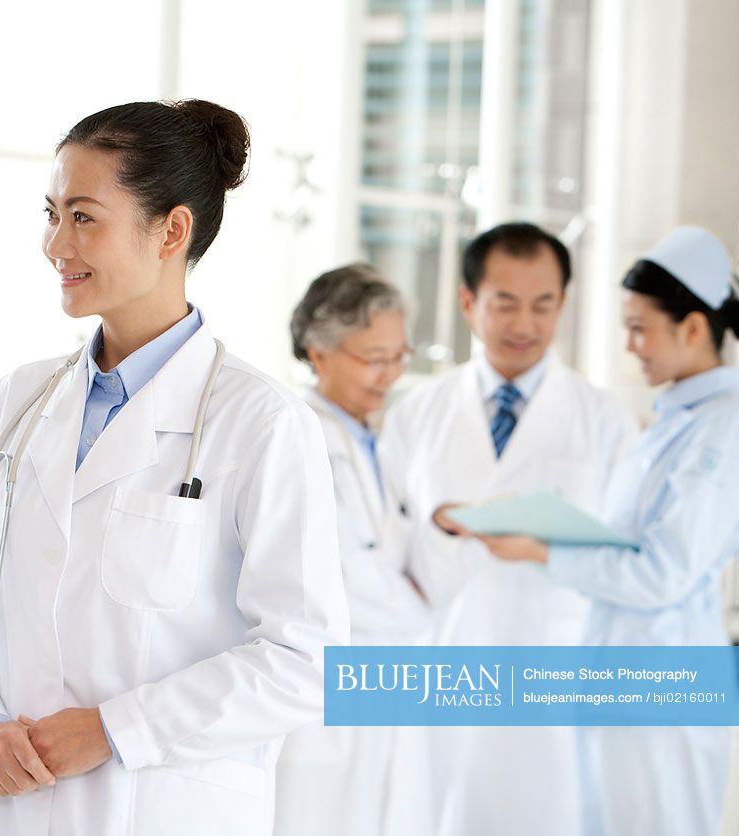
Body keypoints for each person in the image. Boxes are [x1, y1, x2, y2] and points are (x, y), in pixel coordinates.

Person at [0, 100, 349, 836]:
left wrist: (116, 728)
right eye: (50, 213)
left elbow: (303, 660)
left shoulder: (260, 422)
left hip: (167, 805)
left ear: (171, 231)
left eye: (82, 217)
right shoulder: (19, 402)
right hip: (14, 802)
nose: (54, 244)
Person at [377, 222, 638, 836]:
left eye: (543, 304)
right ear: (469, 303)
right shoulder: (418, 415)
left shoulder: (605, 420)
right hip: (441, 667)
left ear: (563, 307)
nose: (525, 323)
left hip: (557, 668)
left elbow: (625, 556)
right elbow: (383, 547)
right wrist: (442, 530)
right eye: (506, 303)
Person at [478, 226, 739, 836]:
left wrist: (543, 550)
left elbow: (661, 573)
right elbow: (630, 545)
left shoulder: (722, 432)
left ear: (694, 328)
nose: (630, 346)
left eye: (640, 327)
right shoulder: (678, 419)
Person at [275, 264, 432, 836]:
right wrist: (423, 611)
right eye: (373, 358)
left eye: (399, 355)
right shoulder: (299, 437)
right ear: (319, 353)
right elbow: (345, 574)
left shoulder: (375, 437)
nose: (389, 374)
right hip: (328, 690)